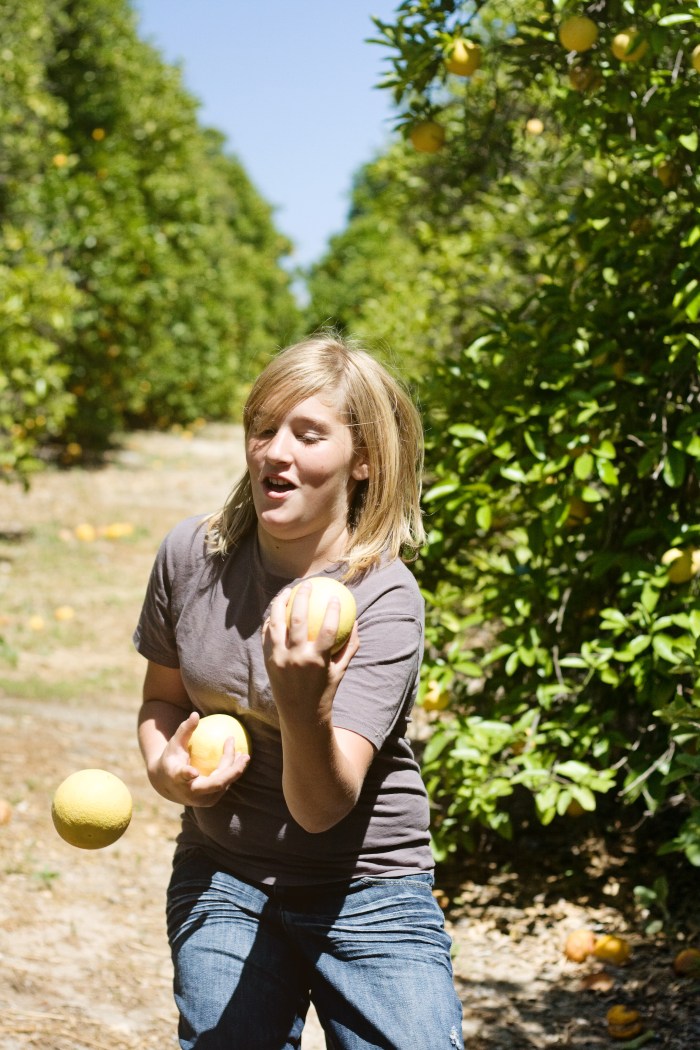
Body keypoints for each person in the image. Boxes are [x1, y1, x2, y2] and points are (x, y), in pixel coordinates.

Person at [134, 330, 464, 1050]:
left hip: (367, 888)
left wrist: (303, 702)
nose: (274, 451)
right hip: (225, 873)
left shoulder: (384, 597)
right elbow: (162, 699)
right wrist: (167, 771)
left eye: (308, 434)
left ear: (365, 460)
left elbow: (322, 809)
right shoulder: (193, 555)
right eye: (263, 428)